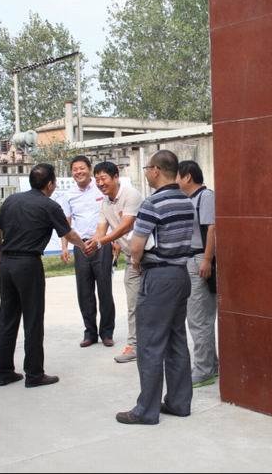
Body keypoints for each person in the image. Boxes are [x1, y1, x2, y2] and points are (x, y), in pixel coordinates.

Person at [116, 150, 195, 425]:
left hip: (158, 277)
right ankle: (179, 403)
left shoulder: (152, 203)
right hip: (180, 274)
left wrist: (136, 263)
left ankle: (146, 411)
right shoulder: (186, 201)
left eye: (148, 168)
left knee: (149, 344)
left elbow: (136, 245)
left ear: (157, 170)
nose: (147, 173)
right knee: (176, 341)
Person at [0, 163, 86, 387]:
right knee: (33, 319)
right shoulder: (49, 205)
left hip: (7, 263)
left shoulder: (12, 200)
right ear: (50, 184)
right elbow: (69, 233)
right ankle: (34, 374)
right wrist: (84, 247)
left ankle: (4, 372)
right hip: (28, 264)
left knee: (7, 318)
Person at [86, 161, 144, 363]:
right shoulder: (105, 202)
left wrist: (100, 242)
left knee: (154, 304)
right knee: (133, 305)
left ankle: (155, 344)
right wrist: (90, 243)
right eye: (97, 179)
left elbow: (126, 226)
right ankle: (135, 346)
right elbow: (101, 230)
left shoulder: (131, 195)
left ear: (116, 177)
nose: (100, 183)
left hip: (150, 257)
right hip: (132, 260)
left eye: (103, 178)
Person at [56, 155, 114, 348]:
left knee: (104, 290)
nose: (78, 172)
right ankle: (90, 333)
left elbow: (111, 215)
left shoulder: (101, 189)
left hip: (102, 244)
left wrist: (113, 240)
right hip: (81, 246)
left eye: (82, 168)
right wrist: (64, 246)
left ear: (89, 169)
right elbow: (66, 223)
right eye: (75, 169)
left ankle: (107, 333)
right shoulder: (68, 195)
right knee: (84, 292)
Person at [177, 160, 220, 388]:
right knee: (197, 317)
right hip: (191, 260)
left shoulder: (205, 197)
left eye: (177, 176)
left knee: (199, 319)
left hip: (199, 260)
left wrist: (206, 259)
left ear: (187, 177)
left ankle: (204, 370)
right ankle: (211, 364)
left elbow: (212, 228)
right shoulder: (189, 199)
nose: (175, 181)